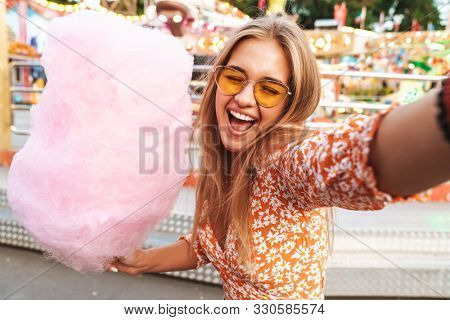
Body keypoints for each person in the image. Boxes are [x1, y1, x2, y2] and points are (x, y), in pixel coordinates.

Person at [107, 15, 450, 299]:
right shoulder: (227, 163)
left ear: (291, 105)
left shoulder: (288, 167)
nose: (242, 97)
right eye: (233, 77)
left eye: (268, 89)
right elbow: (208, 244)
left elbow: (362, 154)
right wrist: (143, 260)